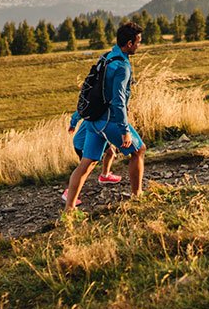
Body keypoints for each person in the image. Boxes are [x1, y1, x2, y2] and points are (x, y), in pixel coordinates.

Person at [63, 21, 147, 210]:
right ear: (129, 43)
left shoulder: (106, 57)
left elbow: (92, 90)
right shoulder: (122, 66)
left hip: (93, 121)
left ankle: (69, 209)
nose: (139, 45)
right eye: (138, 42)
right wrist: (124, 130)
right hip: (110, 121)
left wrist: (76, 118)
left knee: (87, 162)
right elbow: (118, 100)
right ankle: (137, 196)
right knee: (138, 150)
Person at [68, 110, 121, 185]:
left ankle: (105, 176)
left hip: (96, 138)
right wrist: (72, 125)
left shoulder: (103, 112)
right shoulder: (95, 113)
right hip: (82, 144)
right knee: (86, 169)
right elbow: (79, 113)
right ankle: (70, 191)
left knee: (110, 152)